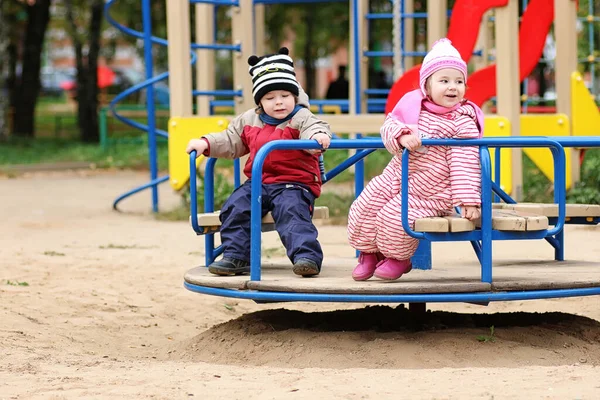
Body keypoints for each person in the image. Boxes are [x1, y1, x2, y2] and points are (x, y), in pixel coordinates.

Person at [186, 47, 332, 278]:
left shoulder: (301, 117)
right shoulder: (248, 120)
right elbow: (230, 140)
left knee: (291, 211)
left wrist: (317, 138)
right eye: (270, 98)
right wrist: (206, 143)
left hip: (294, 182)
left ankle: (306, 257)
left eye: (285, 96)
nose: (279, 102)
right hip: (259, 183)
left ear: (295, 96)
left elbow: (314, 127)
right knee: (235, 207)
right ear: (260, 101)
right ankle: (236, 256)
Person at [347, 38, 485, 281]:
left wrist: (469, 201)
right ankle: (368, 253)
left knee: (393, 215)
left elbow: (465, 163)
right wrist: (401, 135)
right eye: (444, 81)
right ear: (427, 86)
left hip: (432, 191)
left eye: (459, 81)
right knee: (364, 205)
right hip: (396, 177)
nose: (453, 87)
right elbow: (389, 126)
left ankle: (399, 258)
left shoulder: (462, 121)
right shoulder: (413, 108)